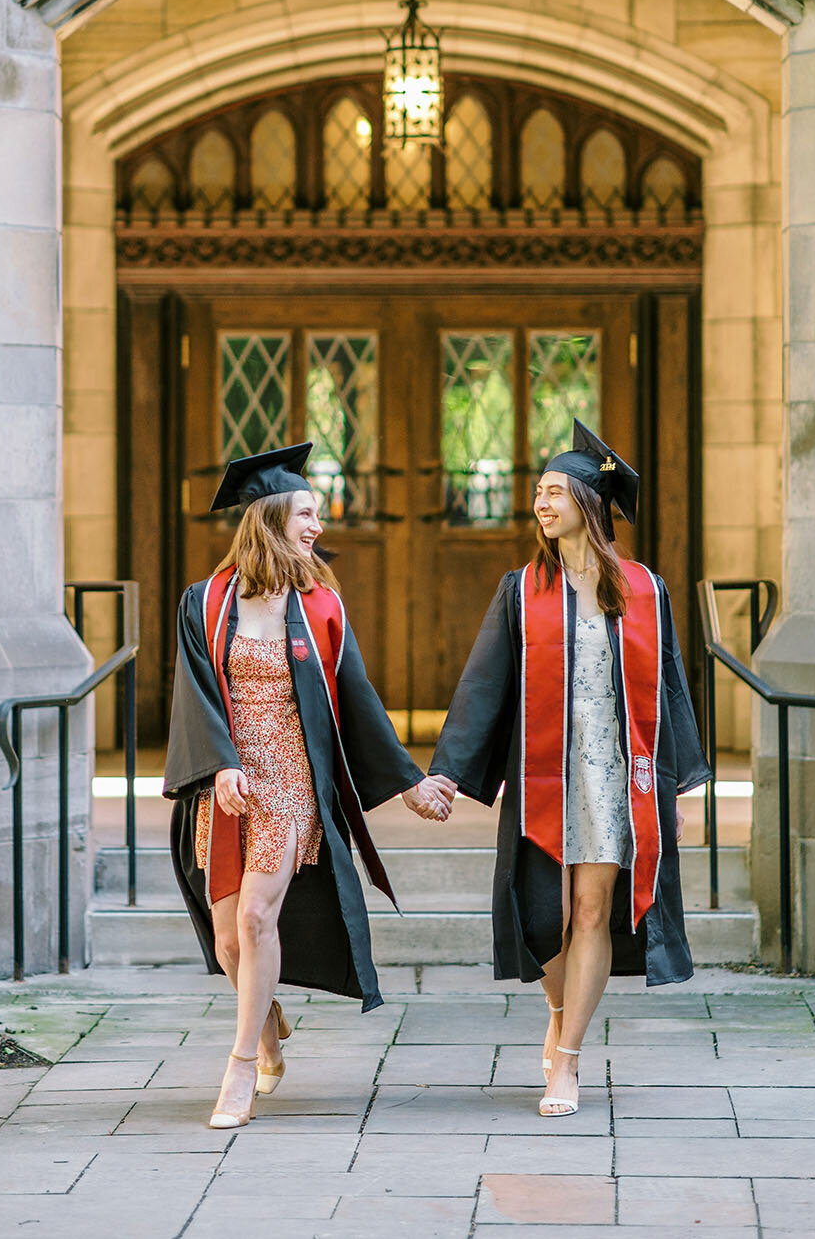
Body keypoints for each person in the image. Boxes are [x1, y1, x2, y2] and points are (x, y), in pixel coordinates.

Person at [163, 442, 455, 1128]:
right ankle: (265, 1022)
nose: (317, 525)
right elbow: (196, 694)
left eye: (317, 514)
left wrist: (410, 785)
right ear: (268, 516)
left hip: (292, 777)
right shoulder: (205, 602)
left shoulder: (319, 605)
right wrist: (220, 764)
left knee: (256, 917)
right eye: (306, 512)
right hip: (231, 780)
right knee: (228, 938)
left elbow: (354, 697)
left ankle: (239, 1067)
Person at [429, 419, 711, 1117]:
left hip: (618, 778)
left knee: (591, 911)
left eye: (554, 492)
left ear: (590, 503)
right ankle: (559, 1015)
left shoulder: (644, 589)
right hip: (544, 774)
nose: (540, 504)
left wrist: (674, 788)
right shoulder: (520, 589)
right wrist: (447, 773)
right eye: (538, 493)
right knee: (541, 915)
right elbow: (483, 685)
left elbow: (669, 685)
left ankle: (568, 1059)